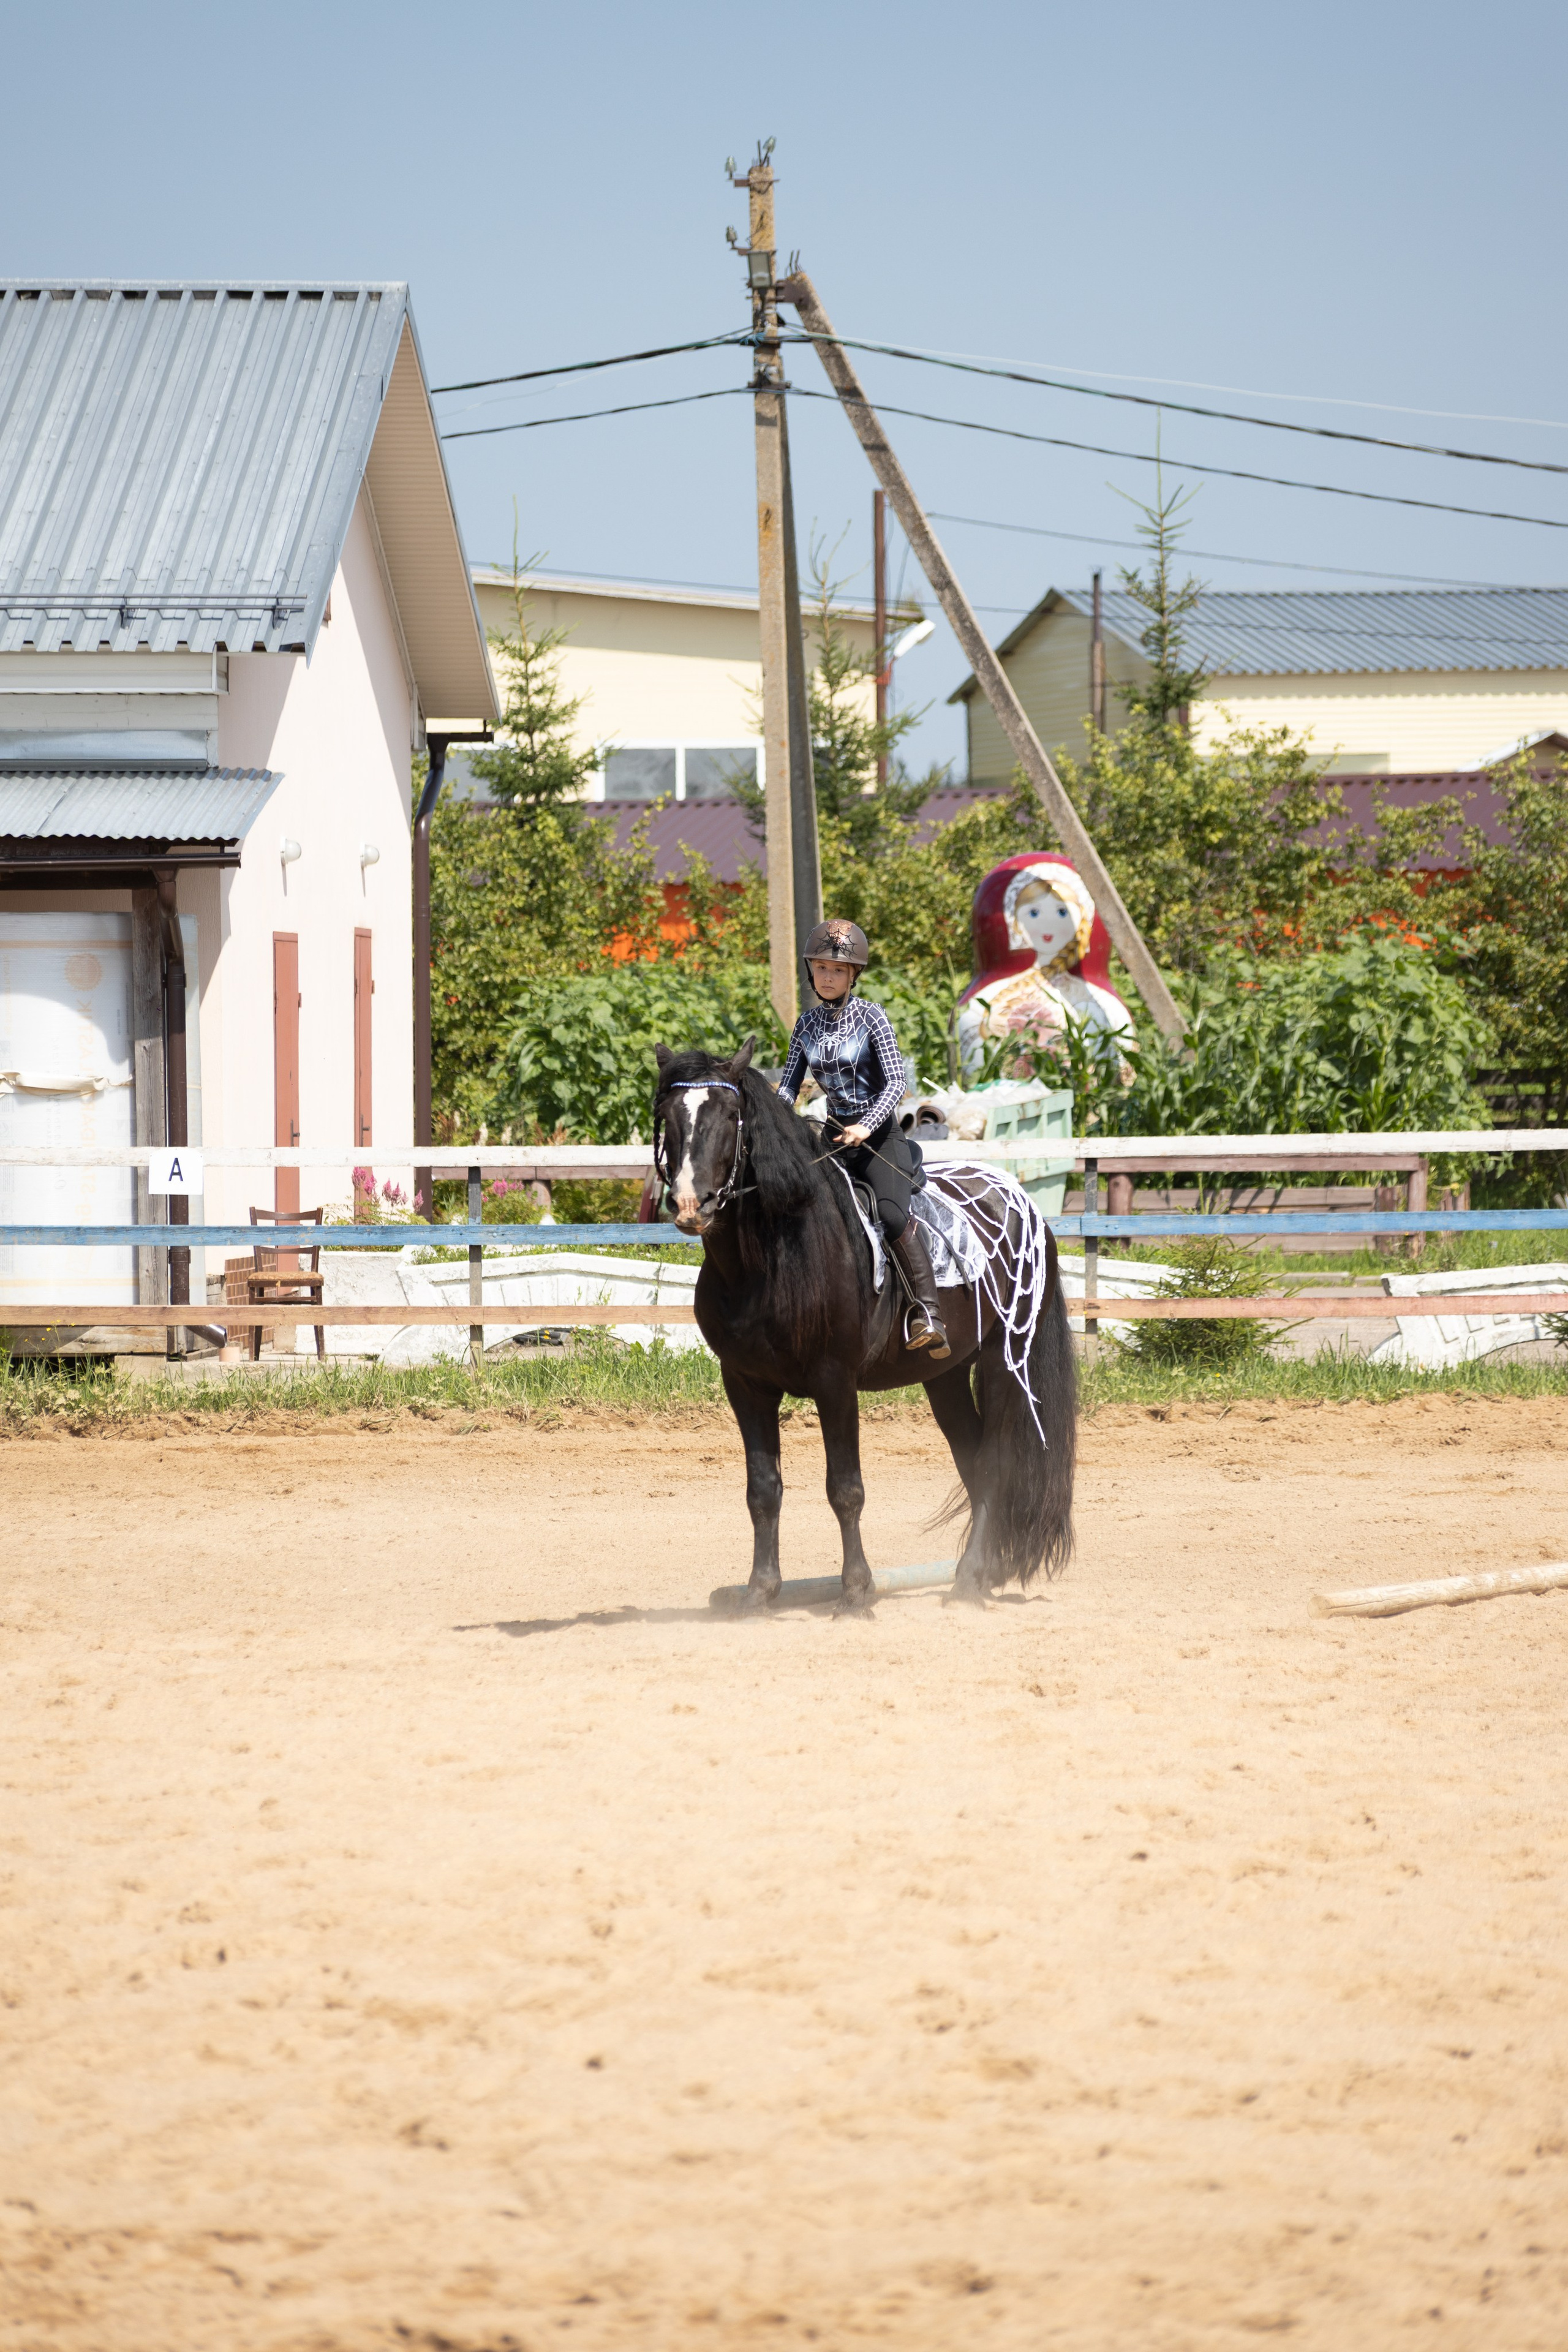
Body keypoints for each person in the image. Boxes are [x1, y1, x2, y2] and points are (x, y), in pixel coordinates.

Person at [775, 918, 950, 1359]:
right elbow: (788, 1087)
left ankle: (928, 1312)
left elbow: (896, 1083)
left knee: (890, 1214)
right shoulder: (806, 1024)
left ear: (853, 974)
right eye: (821, 968)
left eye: (837, 970)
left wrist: (866, 1125)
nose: (827, 977)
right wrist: (773, 1122)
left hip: (879, 1138)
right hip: (834, 1138)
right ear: (811, 971)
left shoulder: (872, 1016)